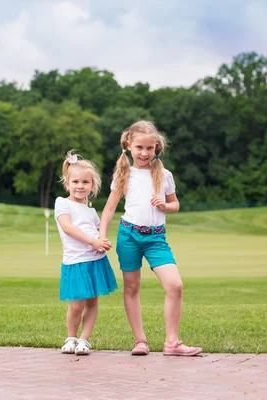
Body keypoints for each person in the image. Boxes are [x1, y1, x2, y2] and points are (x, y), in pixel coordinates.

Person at [99, 121, 202, 357]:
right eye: (139, 147)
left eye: (150, 148)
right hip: (129, 235)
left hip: (156, 239)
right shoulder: (123, 174)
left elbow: (175, 204)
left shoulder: (165, 175)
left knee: (175, 286)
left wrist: (166, 206)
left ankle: (172, 343)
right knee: (132, 288)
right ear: (128, 145)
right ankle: (140, 341)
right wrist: (101, 236)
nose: (145, 153)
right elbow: (109, 209)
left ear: (157, 147)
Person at [55, 151, 118, 356]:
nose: (80, 186)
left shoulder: (91, 210)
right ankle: (71, 337)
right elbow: (68, 227)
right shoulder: (62, 203)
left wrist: (103, 241)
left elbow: (99, 230)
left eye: (85, 182)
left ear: (92, 186)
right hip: (75, 261)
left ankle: (84, 339)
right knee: (76, 304)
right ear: (67, 183)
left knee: (92, 302)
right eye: (75, 181)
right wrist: (93, 241)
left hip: (95, 260)